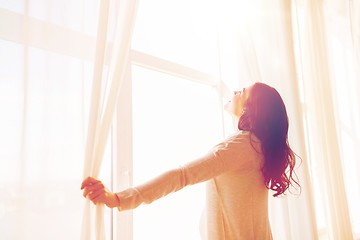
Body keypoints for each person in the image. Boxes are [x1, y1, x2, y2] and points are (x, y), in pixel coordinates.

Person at [81, 82, 300, 240]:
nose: (235, 91)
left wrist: (118, 199)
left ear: (248, 108)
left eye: (242, 92)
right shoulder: (258, 147)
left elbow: (182, 175)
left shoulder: (241, 146)